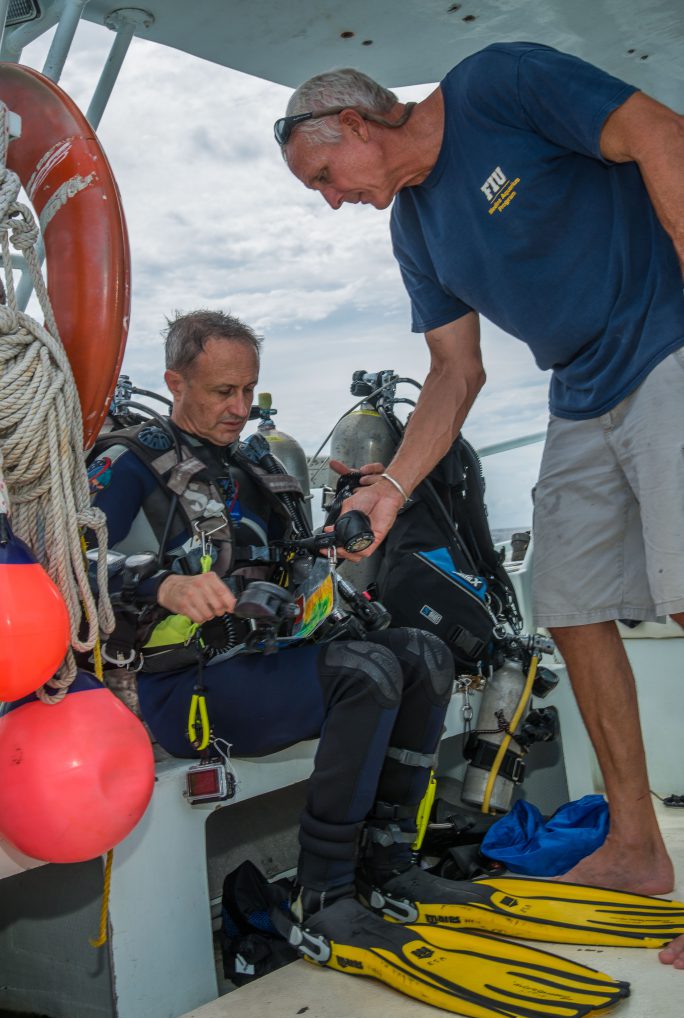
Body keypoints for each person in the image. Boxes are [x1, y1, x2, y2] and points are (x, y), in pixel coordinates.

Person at [276, 43, 684, 969]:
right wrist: (386, 489)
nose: (332, 199)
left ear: (354, 124)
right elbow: (456, 373)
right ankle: (633, 845)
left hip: (668, 342)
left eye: (324, 177)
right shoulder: (415, 228)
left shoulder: (497, 85)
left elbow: (663, 133)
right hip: (578, 391)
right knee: (571, 608)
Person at [88, 308, 455, 922]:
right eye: (222, 391)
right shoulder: (128, 465)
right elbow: (66, 569)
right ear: (175, 385)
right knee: (365, 672)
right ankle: (326, 892)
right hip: (188, 692)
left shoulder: (257, 465)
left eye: (249, 390)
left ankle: (389, 864)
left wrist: (345, 518)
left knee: (425, 655)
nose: (239, 407)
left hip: (270, 662)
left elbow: (298, 560)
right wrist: (164, 584)